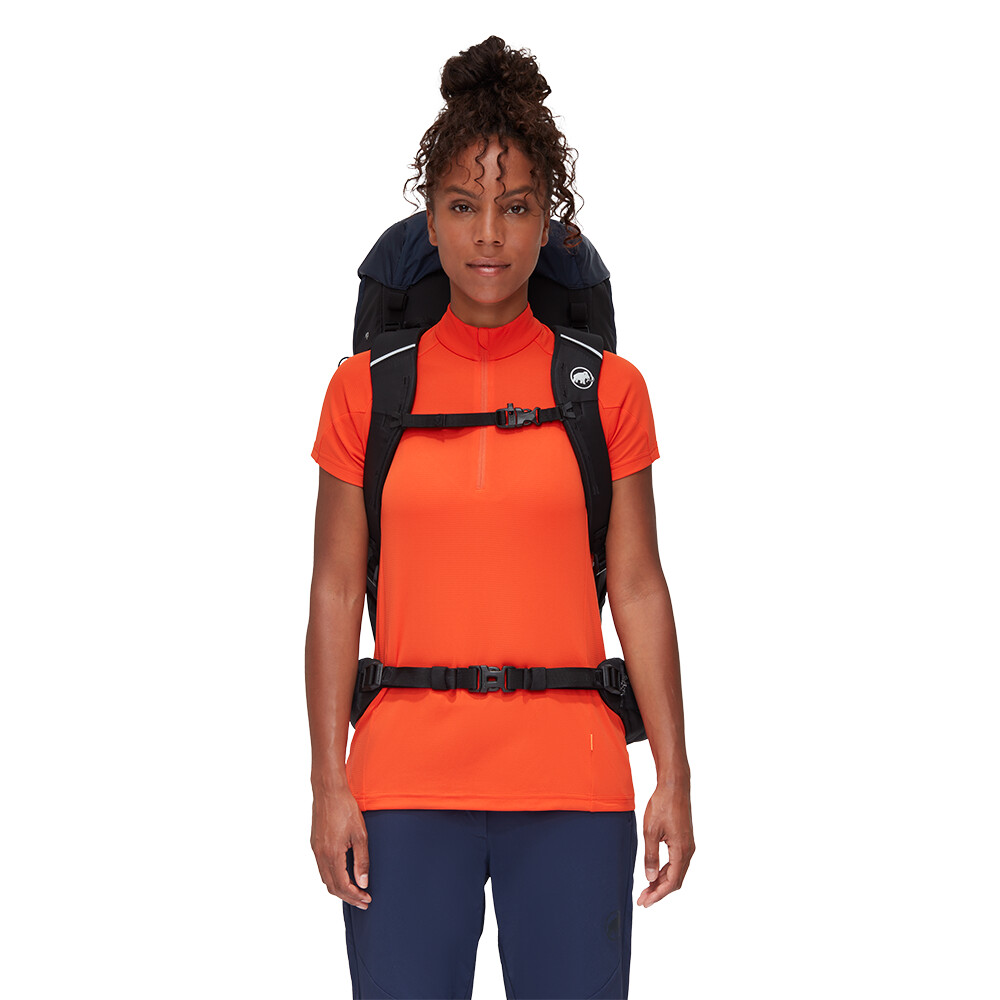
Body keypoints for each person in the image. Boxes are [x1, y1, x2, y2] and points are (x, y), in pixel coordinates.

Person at [305, 36, 694, 1000]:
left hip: (574, 786)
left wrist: (675, 775)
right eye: (462, 207)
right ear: (429, 222)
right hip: (401, 790)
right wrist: (327, 782)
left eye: (516, 207)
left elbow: (639, 587)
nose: (489, 235)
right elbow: (334, 591)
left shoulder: (608, 391)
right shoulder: (364, 392)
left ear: (547, 219)